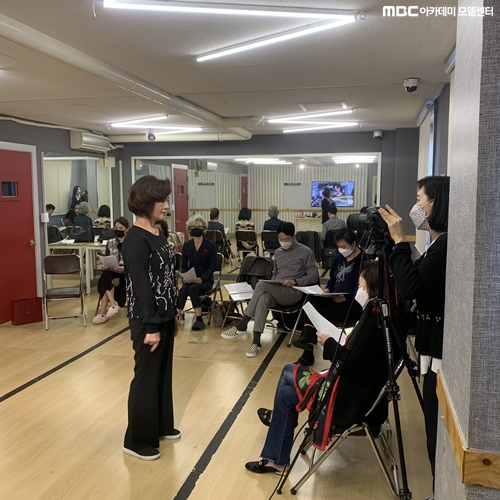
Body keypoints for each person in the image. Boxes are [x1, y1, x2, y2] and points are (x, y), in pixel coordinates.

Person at [244, 261, 403, 474]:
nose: (359, 291)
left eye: (361, 287)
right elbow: (358, 358)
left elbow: (348, 364)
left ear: (373, 288)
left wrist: (329, 343)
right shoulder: (389, 317)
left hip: (350, 401)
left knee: (288, 372)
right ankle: (276, 458)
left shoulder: (373, 324)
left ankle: (277, 450)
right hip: (367, 397)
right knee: (287, 395)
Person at [379, 175, 449, 484]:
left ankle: (439, 486)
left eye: (420, 200)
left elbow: (411, 287)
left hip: (440, 347)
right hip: (432, 342)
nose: (416, 206)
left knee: (435, 424)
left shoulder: (445, 245)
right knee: (431, 422)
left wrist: (399, 242)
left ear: (436, 204)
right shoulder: (438, 244)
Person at [121, 175, 180, 461]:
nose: (167, 206)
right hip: (147, 321)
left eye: (167, 200)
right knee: (145, 378)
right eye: (162, 201)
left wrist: (173, 312)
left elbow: (167, 278)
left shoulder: (158, 232)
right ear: (145, 203)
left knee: (162, 374)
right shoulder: (135, 240)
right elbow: (142, 288)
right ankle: (136, 440)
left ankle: (160, 425)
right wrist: (151, 326)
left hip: (165, 316)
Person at [221, 222, 318, 358]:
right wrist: (273, 283)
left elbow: (313, 276)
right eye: (280, 239)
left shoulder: (306, 252)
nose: (283, 242)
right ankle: (256, 342)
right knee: (263, 298)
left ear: (294, 237)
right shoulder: (277, 253)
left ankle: (243, 323)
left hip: (294, 291)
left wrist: (295, 281)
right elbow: (275, 274)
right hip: (278, 290)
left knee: (261, 285)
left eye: (286, 239)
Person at [293, 227, 365, 366]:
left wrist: (345, 298)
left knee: (316, 313)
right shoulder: (339, 259)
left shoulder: (363, 261)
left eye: (344, 247)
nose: (341, 250)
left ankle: (308, 345)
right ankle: (308, 340)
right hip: (333, 298)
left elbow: (363, 289)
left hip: (350, 304)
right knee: (310, 300)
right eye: (339, 247)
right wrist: (327, 289)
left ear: (354, 244)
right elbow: (332, 279)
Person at [177, 214, 217, 331]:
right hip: (191, 277)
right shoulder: (187, 245)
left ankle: (199, 319)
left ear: (203, 228)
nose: (196, 228)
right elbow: (183, 265)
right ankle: (177, 315)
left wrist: (202, 278)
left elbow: (213, 266)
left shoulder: (210, 245)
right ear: (190, 229)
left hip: (205, 279)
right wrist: (185, 276)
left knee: (192, 288)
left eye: (199, 226)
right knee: (184, 289)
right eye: (194, 226)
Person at [93, 217, 130, 324]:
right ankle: (112, 304)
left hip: (126, 273)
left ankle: (103, 312)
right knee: (106, 274)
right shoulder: (110, 242)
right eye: (116, 228)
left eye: (121, 228)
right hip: (113, 271)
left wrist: (125, 267)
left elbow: (136, 261)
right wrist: (105, 265)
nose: (118, 230)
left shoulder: (132, 243)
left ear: (127, 229)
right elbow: (107, 257)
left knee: (105, 279)